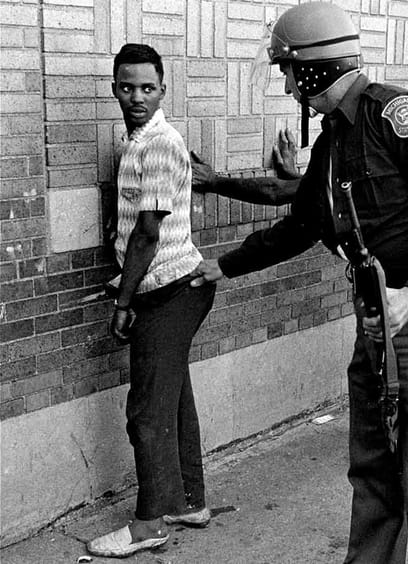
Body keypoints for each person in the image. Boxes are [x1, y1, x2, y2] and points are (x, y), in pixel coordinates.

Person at [189, 4, 408, 562]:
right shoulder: (333, 142)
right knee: (374, 471)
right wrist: (225, 265)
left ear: (312, 67)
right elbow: (303, 224)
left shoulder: (395, 116)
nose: (286, 85)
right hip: (376, 321)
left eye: (287, 71)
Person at [86, 44, 216, 558]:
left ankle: (148, 527)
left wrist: (123, 301)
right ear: (114, 89)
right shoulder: (138, 142)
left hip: (170, 293)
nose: (136, 97)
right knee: (173, 399)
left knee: (144, 412)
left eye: (147, 87)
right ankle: (188, 501)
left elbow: (146, 233)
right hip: (172, 288)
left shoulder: (160, 144)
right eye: (127, 87)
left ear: (164, 89)